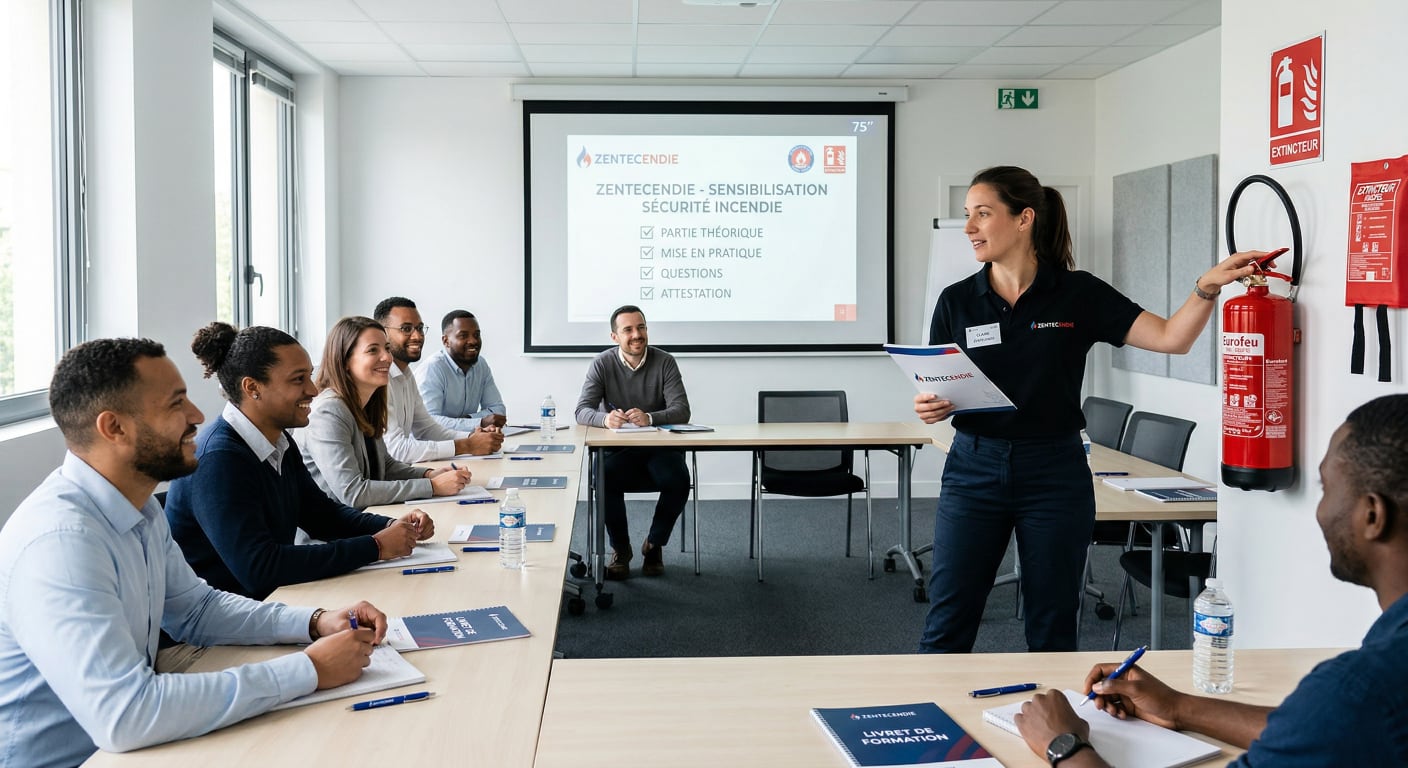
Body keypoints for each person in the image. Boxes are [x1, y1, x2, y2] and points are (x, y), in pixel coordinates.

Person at [915, 166, 1276, 653]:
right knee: (949, 617)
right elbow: (937, 381)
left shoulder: (1077, 293)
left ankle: (1055, 727)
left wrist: (1206, 288)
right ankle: (933, 721)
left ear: (1024, 219)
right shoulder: (956, 301)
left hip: (1054, 472)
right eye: (967, 215)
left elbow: (1172, 338)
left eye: (982, 214)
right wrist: (931, 404)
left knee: (1053, 622)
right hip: (974, 467)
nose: (970, 228)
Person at [0, 338, 385, 767]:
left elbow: (196, 610)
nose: (197, 416)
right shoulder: (61, 542)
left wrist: (315, 622)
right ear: (114, 428)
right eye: (176, 404)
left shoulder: (139, 506)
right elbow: (126, 714)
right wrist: (308, 670)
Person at [1013, 394, 1408, 767]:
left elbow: (1346, 716)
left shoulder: (1362, 690)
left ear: (1372, 515)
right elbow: (1327, 731)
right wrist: (1178, 706)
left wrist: (1063, 744)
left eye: (1326, 489)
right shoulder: (1370, 690)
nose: (1319, 510)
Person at [164, 322, 435, 600]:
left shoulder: (279, 440)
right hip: (223, 630)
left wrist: (389, 526)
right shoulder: (220, 459)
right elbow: (260, 569)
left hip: (268, 605)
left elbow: (322, 515)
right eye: (298, 379)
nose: (313, 390)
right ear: (252, 387)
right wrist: (375, 547)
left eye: (310, 376)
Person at [300, 316, 470, 508]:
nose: (387, 357)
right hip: (334, 534)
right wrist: (432, 486)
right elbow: (353, 493)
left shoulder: (367, 402)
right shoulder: (328, 412)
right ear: (345, 360)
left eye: (387, 348)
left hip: (366, 520)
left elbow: (385, 467)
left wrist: (428, 474)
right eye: (373, 350)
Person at [574, 304, 691, 579]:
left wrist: (649, 418)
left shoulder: (665, 361)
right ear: (615, 337)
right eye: (628, 330)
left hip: (659, 448)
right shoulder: (602, 363)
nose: (636, 335)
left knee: (678, 479)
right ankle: (621, 549)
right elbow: (581, 410)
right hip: (619, 450)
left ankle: (654, 544)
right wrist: (605, 420)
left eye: (641, 328)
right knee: (602, 477)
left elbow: (682, 410)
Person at [374, 297, 503, 462]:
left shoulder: (406, 375)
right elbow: (395, 450)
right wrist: (467, 445)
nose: (417, 336)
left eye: (420, 328)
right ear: (382, 333)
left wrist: (473, 436)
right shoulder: (380, 379)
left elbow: (427, 429)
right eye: (406, 329)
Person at [418, 309, 508, 432]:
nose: (473, 341)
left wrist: (468, 419)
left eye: (476, 335)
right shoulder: (432, 368)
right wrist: (480, 422)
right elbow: (428, 422)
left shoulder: (481, 365)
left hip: (468, 440)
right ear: (446, 341)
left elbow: (498, 410)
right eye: (463, 336)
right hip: (436, 446)